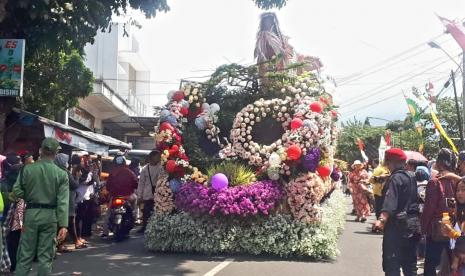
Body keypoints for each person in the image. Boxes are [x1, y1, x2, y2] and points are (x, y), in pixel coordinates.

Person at [12, 138, 69, 276]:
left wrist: (29, 195)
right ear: (56, 153)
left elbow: (16, 191)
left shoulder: (28, 169)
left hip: (30, 214)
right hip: (50, 217)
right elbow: (63, 202)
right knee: (45, 257)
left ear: (41, 151)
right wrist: (63, 225)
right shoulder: (61, 174)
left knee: (25, 255)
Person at [373, 148, 420, 276]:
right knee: (410, 267)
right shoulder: (411, 177)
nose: (387, 165)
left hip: (396, 229)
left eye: (387, 162)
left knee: (392, 265)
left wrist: (381, 220)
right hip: (412, 227)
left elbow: (390, 202)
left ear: (392, 162)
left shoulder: (395, 179)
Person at [422, 148, 457, 276]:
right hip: (454, 227)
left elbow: (428, 209)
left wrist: (423, 229)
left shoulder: (435, 182)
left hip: (436, 228)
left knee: (430, 263)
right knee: (452, 261)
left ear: (439, 162)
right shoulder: (457, 181)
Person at [102, 156, 138, 237]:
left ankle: (105, 232)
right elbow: (135, 183)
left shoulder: (112, 173)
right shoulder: (130, 172)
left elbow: (108, 186)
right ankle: (135, 217)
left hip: (115, 197)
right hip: (128, 196)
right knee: (135, 201)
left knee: (108, 213)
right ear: (124, 163)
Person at [136, 150, 164, 233]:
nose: (159, 158)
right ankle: (145, 226)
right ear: (152, 157)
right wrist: (139, 196)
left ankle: (157, 227)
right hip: (148, 195)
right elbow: (141, 183)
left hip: (159, 194)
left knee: (158, 211)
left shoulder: (161, 168)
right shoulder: (145, 169)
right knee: (146, 211)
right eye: (157, 157)